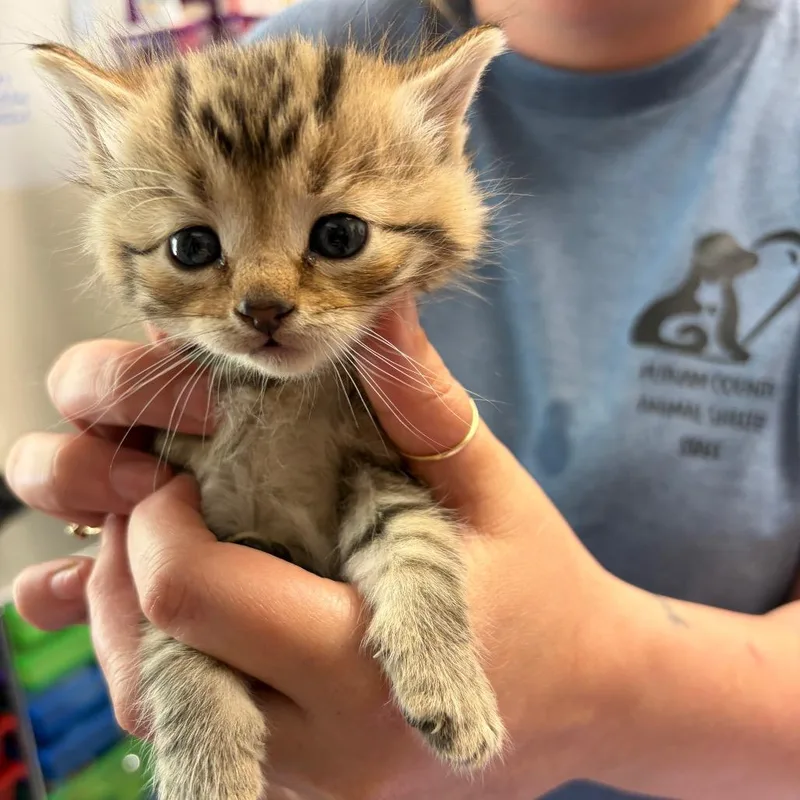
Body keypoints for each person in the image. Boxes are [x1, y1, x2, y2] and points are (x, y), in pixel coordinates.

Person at [7, 0, 800, 797]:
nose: (264, 301)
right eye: (195, 247)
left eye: (336, 238)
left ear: (447, 135)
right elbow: (199, 568)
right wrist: (119, 478)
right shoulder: (292, 52)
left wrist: (585, 689)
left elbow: (381, 497)